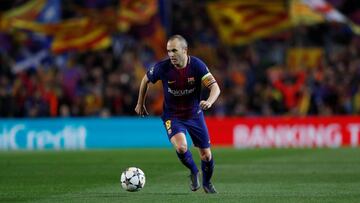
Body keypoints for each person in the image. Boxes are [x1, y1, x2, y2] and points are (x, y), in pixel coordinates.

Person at [135, 35, 220, 193]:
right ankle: (194, 171)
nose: (171, 54)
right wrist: (140, 102)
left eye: (174, 50)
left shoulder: (197, 65)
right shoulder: (163, 67)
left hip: (195, 115)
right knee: (181, 147)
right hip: (172, 116)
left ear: (185, 50)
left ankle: (207, 183)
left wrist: (210, 101)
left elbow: (216, 88)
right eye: (168, 51)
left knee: (206, 156)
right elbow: (145, 80)